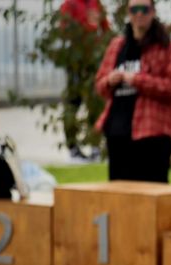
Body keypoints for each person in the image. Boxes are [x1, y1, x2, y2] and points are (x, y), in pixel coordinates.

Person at [93, 0, 171, 182]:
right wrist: (110, 80)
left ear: (153, 12)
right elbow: (100, 86)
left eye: (144, 9)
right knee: (120, 197)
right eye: (134, 9)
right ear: (128, 12)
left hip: (152, 135)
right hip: (118, 132)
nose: (139, 13)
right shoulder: (116, 46)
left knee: (152, 199)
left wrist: (136, 79)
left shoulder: (166, 48)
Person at [57, 0, 110, 162]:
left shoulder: (96, 4)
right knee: (73, 103)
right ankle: (73, 148)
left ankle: (94, 146)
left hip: (94, 60)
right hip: (76, 61)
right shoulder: (70, 4)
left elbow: (106, 29)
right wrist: (89, 25)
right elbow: (64, 31)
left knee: (95, 103)